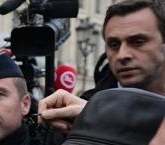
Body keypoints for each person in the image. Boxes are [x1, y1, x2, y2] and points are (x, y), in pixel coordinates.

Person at [39, 0, 165, 131]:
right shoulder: (79, 113)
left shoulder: (90, 112)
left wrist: (102, 117)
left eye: (138, 42)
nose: (122, 55)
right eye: (114, 45)